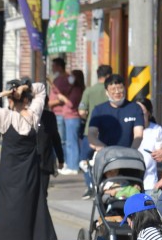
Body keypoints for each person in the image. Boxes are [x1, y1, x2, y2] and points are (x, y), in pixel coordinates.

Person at [0, 79, 55, 240]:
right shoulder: (34, 115)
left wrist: (4, 93)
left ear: (11, 101)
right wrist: (26, 88)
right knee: (27, 210)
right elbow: (42, 89)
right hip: (29, 171)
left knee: (0, 210)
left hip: (8, 172)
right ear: (28, 99)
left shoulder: (5, 116)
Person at [77, 65, 114, 196]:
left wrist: (88, 117)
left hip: (89, 131)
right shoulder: (111, 90)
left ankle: (91, 186)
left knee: (84, 160)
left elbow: (81, 111)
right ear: (109, 76)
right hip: (107, 132)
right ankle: (106, 186)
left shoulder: (89, 91)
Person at [86, 74, 144, 153]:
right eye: (113, 89)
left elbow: (138, 134)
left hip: (129, 155)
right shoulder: (99, 110)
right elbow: (91, 134)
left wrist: (131, 151)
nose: (117, 92)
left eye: (120, 88)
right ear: (106, 92)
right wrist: (103, 148)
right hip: (105, 154)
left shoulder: (135, 108)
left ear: (125, 89)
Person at [48, 57, 83, 176]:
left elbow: (69, 101)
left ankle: (71, 164)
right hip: (64, 115)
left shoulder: (69, 83)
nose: (52, 68)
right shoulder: (58, 79)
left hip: (66, 115)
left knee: (67, 141)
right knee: (66, 141)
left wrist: (60, 99)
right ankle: (68, 163)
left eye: (53, 66)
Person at [138, 98, 162, 191]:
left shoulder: (156, 130)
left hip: (149, 184)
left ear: (149, 113)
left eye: (142, 111)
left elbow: (161, 154)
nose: (139, 114)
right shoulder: (128, 129)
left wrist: (159, 153)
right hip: (130, 183)